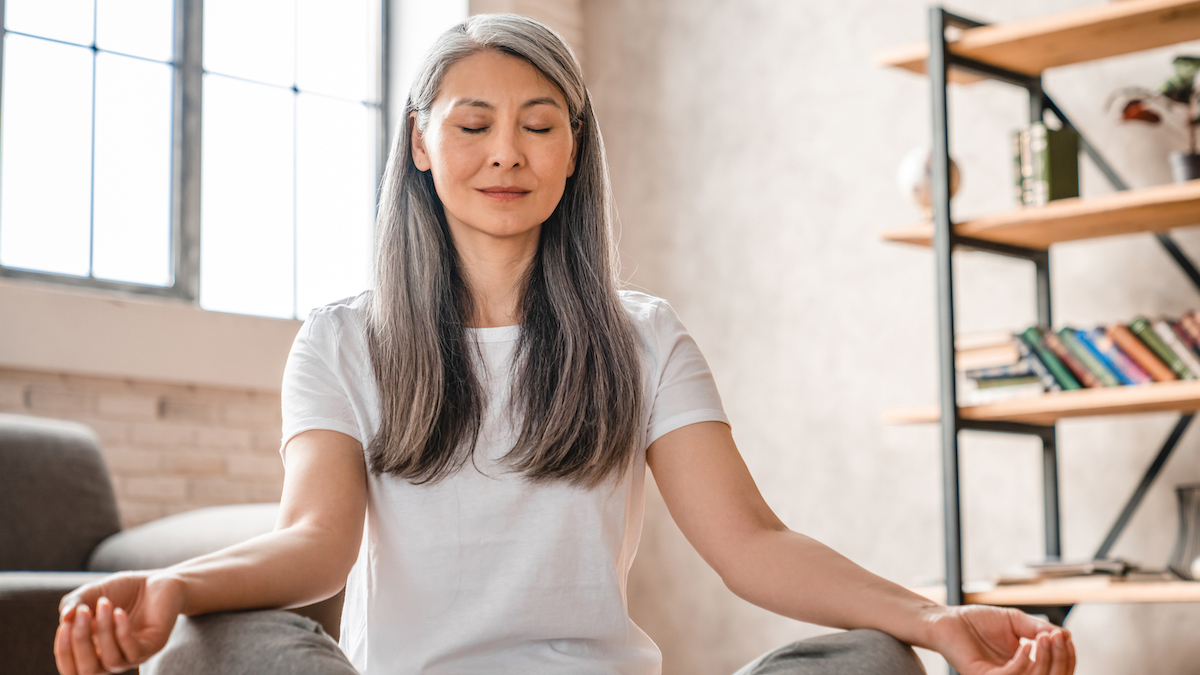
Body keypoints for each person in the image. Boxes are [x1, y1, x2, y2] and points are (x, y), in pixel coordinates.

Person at [53, 14, 1076, 675]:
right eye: (473, 124)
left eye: (541, 124)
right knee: (208, 648)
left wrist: (933, 619)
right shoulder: (341, 340)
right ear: (418, 142)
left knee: (874, 662)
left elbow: (751, 544)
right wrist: (176, 587)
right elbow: (315, 543)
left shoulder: (642, 337)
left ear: (576, 147)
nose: (507, 151)